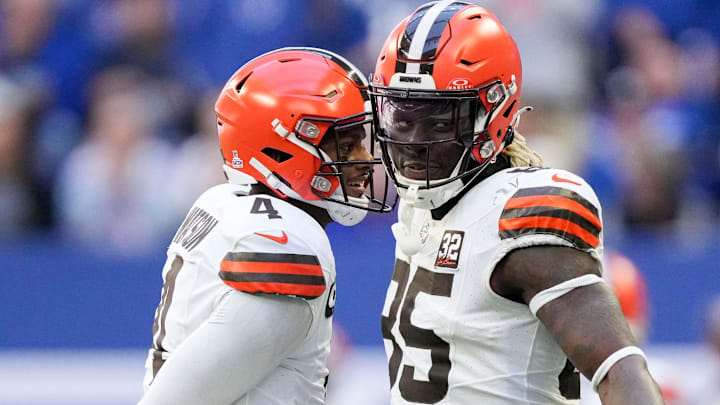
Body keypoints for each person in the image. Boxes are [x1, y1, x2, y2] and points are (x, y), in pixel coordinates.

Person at [369, 2, 665, 404]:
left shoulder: (522, 214)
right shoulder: (422, 206)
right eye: (402, 119)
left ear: (494, 110)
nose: (414, 142)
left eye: (440, 122)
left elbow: (621, 369)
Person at [139, 47, 392, 404]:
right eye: (346, 145)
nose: (366, 161)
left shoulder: (221, 201)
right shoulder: (286, 242)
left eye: (362, 143)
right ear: (282, 150)